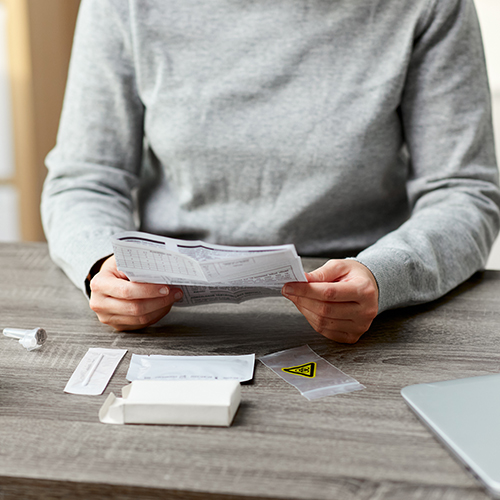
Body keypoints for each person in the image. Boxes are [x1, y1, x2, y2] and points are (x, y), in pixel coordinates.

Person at [41, 0, 500, 343]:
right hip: (170, 311)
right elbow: (85, 178)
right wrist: (102, 264)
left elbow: (464, 191)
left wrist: (386, 274)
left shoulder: (429, 6)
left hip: (365, 306)